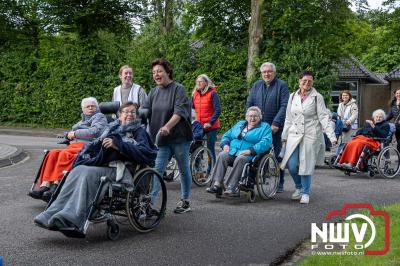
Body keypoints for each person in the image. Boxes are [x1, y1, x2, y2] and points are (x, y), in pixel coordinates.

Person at [33, 102, 157, 237]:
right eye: (126, 112)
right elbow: (96, 145)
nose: (129, 114)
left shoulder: (139, 131)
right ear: (119, 116)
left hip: (121, 169)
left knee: (87, 173)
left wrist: (119, 145)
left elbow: (145, 153)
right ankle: (51, 213)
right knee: (77, 169)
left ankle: (71, 217)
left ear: (137, 115)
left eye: (133, 112)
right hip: (103, 165)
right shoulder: (112, 129)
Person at [28, 97, 108, 201]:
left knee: (64, 154)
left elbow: (95, 131)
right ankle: (45, 185)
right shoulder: (82, 121)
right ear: (83, 109)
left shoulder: (99, 117)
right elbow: (72, 132)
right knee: (52, 153)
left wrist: (75, 133)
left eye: (93, 106)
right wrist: (66, 135)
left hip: (88, 147)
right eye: (87, 106)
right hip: (74, 145)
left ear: (97, 108)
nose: (90, 108)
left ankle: (56, 185)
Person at [141, 58, 193, 214]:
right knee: (157, 170)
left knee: (183, 169)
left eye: (159, 71)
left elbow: (179, 112)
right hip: (161, 139)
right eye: (154, 72)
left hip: (179, 138)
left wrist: (167, 126)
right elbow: (145, 110)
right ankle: (149, 203)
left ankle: (185, 201)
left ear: (167, 72)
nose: (156, 74)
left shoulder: (179, 89)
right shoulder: (153, 92)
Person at [280, 71, 336, 204]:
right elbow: (288, 117)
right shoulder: (292, 96)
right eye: (304, 80)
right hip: (294, 133)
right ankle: (298, 187)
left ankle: (305, 192)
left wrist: (331, 136)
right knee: (292, 165)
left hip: (311, 134)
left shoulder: (318, 97)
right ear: (299, 81)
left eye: (310, 81)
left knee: (306, 164)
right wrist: (284, 135)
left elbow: (323, 117)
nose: (307, 83)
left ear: (313, 82)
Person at [206, 106, 272, 197]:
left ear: (260, 117)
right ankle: (217, 185)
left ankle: (232, 187)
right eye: (250, 116)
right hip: (232, 151)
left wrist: (250, 150)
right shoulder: (240, 124)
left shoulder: (265, 127)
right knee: (222, 155)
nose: (252, 118)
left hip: (250, 155)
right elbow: (227, 135)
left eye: (255, 116)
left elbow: (266, 142)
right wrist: (225, 144)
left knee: (241, 159)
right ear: (246, 117)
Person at [246, 62, 289, 193]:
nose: (266, 74)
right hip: (258, 126)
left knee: (277, 155)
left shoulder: (282, 85)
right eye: (264, 72)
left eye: (269, 71)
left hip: (275, 127)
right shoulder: (256, 85)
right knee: (256, 152)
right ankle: (252, 180)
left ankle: (280, 182)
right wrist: (249, 119)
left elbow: (284, 105)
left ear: (274, 73)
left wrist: (276, 122)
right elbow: (249, 103)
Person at [192, 74, 221, 162]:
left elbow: (218, 110)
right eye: (197, 81)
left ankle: (211, 169)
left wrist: (210, 122)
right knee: (196, 146)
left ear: (206, 82)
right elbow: (191, 108)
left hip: (211, 126)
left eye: (201, 81)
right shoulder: (195, 94)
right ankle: (197, 169)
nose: (198, 83)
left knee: (210, 148)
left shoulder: (213, 93)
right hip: (199, 125)